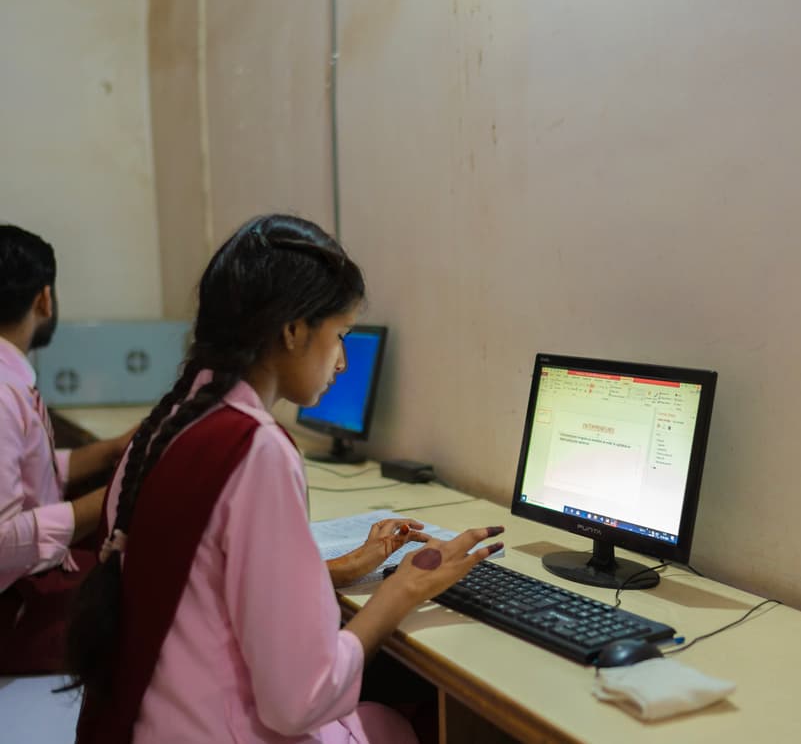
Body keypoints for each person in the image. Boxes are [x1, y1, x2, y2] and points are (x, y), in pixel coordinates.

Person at [67, 214, 503, 743]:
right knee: (410, 725)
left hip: (150, 721)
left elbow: (205, 584)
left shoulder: (170, 423)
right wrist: (403, 592)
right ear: (294, 330)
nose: (342, 362)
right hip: (218, 728)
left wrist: (343, 569)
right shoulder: (255, 449)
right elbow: (300, 700)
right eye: (340, 334)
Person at [0, 224, 134, 673]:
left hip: (24, 583)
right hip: (13, 607)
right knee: (155, 606)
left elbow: (23, 470)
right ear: (44, 299)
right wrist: (119, 493)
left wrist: (112, 450)